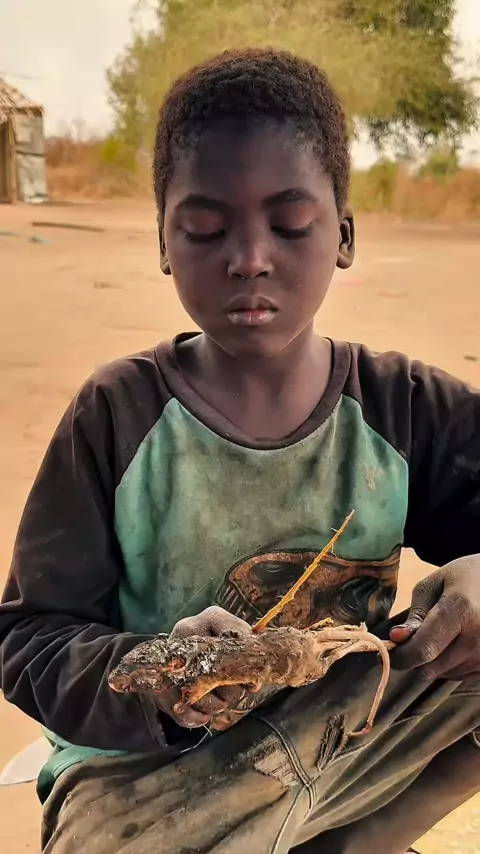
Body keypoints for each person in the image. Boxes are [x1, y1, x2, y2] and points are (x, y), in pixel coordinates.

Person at [0, 48, 479, 854]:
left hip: (349, 741)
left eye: (290, 225)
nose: (249, 257)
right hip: (154, 778)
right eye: (205, 228)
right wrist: (164, 675)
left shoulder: (406, 409)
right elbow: (31, 638)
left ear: (343, 236)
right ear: (164, 242)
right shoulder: (116, 416)